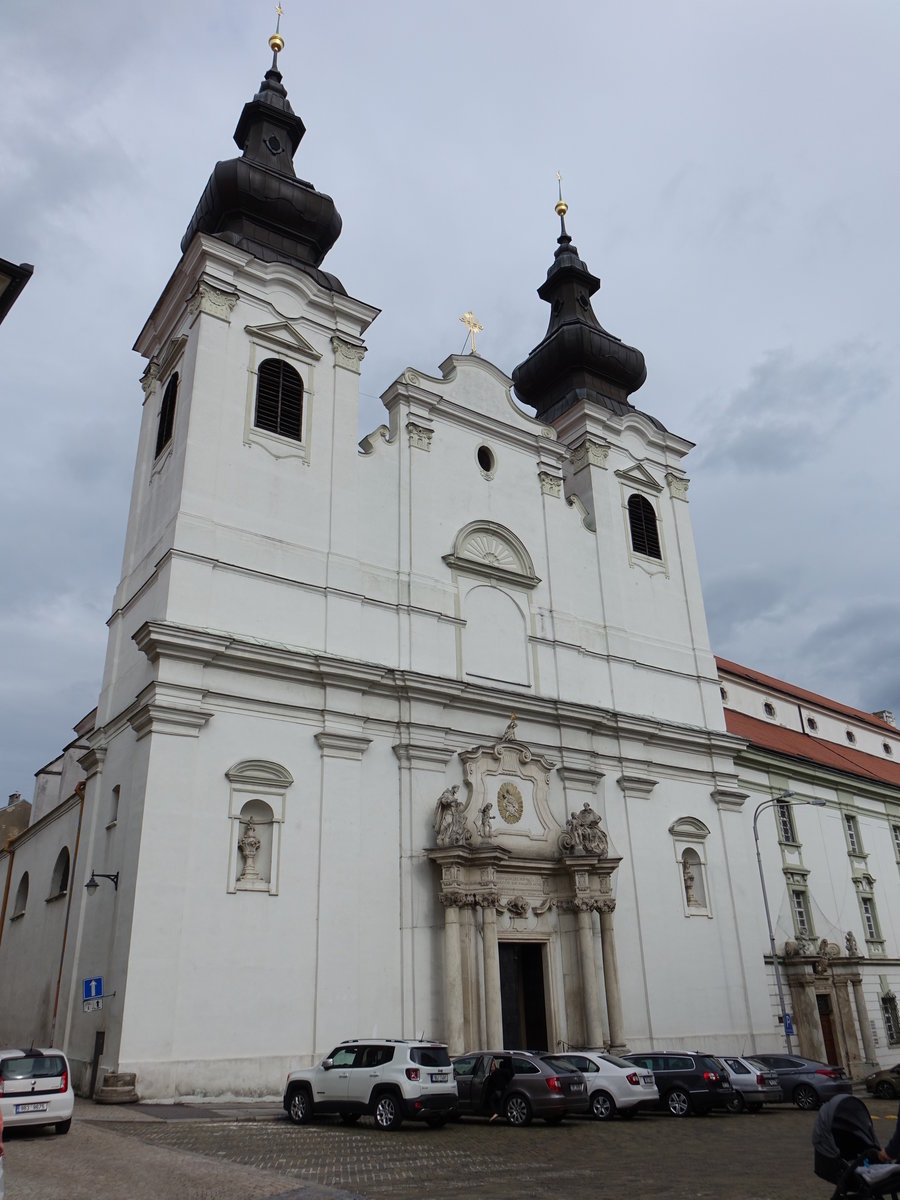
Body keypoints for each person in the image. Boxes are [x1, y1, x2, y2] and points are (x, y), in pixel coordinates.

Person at [483, 1055, 514, 1121]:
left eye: (492, 1066)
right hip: (503, 1090)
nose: (491, 1067)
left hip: (498, 1091)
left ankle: (495, 1113)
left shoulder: (494, 1074)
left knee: (491, 1099)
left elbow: (492, 1084)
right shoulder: (504, 1072)